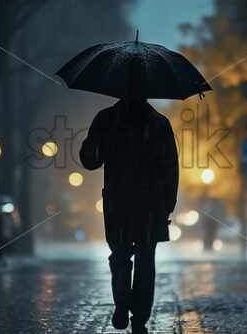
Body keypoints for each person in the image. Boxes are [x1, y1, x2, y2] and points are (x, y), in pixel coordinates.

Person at [80, 98, 178, 334]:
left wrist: (95, 141)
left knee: (120, 254)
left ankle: (123, 301)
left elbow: (89, 160)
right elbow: (170, 167)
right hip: (150, 203)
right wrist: (168, 203)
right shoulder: (158, 123)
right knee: (145, 260)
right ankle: (139, 319)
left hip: (118, 202)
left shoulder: (107, 119)